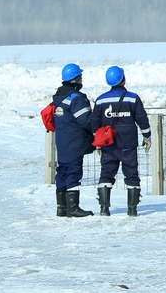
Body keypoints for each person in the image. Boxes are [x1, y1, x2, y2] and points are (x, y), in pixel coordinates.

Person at [90, 66, 151, 216]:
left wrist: (97, 139)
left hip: (108, 144)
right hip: (128, 144)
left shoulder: (100, 100)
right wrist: (147, 136)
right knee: (131, 174)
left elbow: (94, 123)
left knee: (106, 173)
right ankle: (132, 209)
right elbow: (141, 119)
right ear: (123, 79)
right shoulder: (133, 98)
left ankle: (104, 208)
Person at [52, 63, 95, 217]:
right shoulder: (76, 99)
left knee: (62, 171)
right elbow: (86, 120)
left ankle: (61, 207)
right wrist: (99, 122)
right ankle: (73, 208)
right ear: (76, 79)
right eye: (80, 77)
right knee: (73, 171)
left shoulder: (58, 98)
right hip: (75, 141)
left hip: (62, 141)